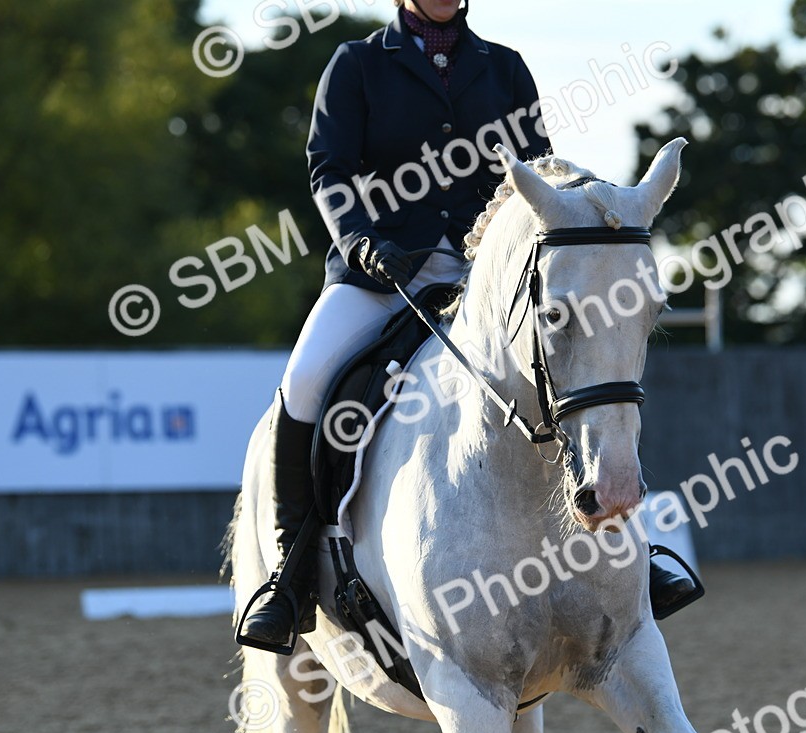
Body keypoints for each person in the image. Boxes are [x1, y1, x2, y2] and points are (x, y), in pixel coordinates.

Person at [239, 0, 700, 651]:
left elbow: (541, 178)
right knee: (306, 383)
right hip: (381, 273)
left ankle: (628, 556)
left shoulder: (503, 69)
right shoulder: (357, 64)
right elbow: (329, 171)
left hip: (484, 279)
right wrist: (361, 242)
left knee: (577, 370)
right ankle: (288, 578)